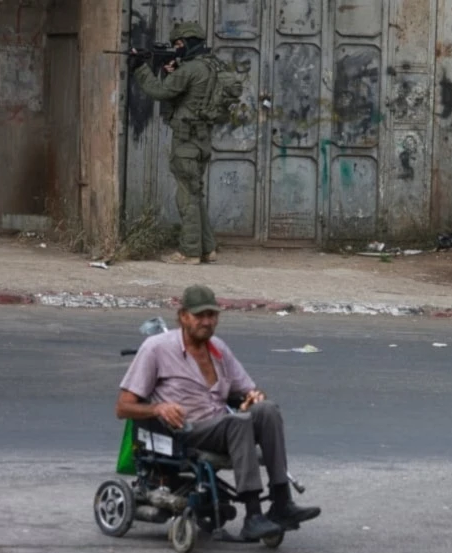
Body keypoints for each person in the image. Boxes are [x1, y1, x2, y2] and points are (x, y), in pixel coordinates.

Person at [115, 284, 321, 540]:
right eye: (199, 315)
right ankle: (253, 515)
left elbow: (249, 389)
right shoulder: (156, 348)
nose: (206, 321)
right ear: (183, 316)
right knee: (238, 423)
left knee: (267, 410)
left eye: (211, 315)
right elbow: (123, 407)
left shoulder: (219, 349)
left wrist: (254, 398)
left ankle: (282, 502)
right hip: (189, 430)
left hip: (224, 426)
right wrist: (159, 407)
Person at [129, 22, 230, 265]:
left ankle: (189, 252)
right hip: (202, 139)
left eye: (178, 44)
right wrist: (172, 70)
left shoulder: (191, 69)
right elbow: (189, 94)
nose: (176, 48)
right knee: (195, 193)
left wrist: (140, 67)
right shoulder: (212, 65)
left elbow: (161, 92)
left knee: (186, 197)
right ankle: (207, 249)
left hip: (186, 141)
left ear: (187, 43)